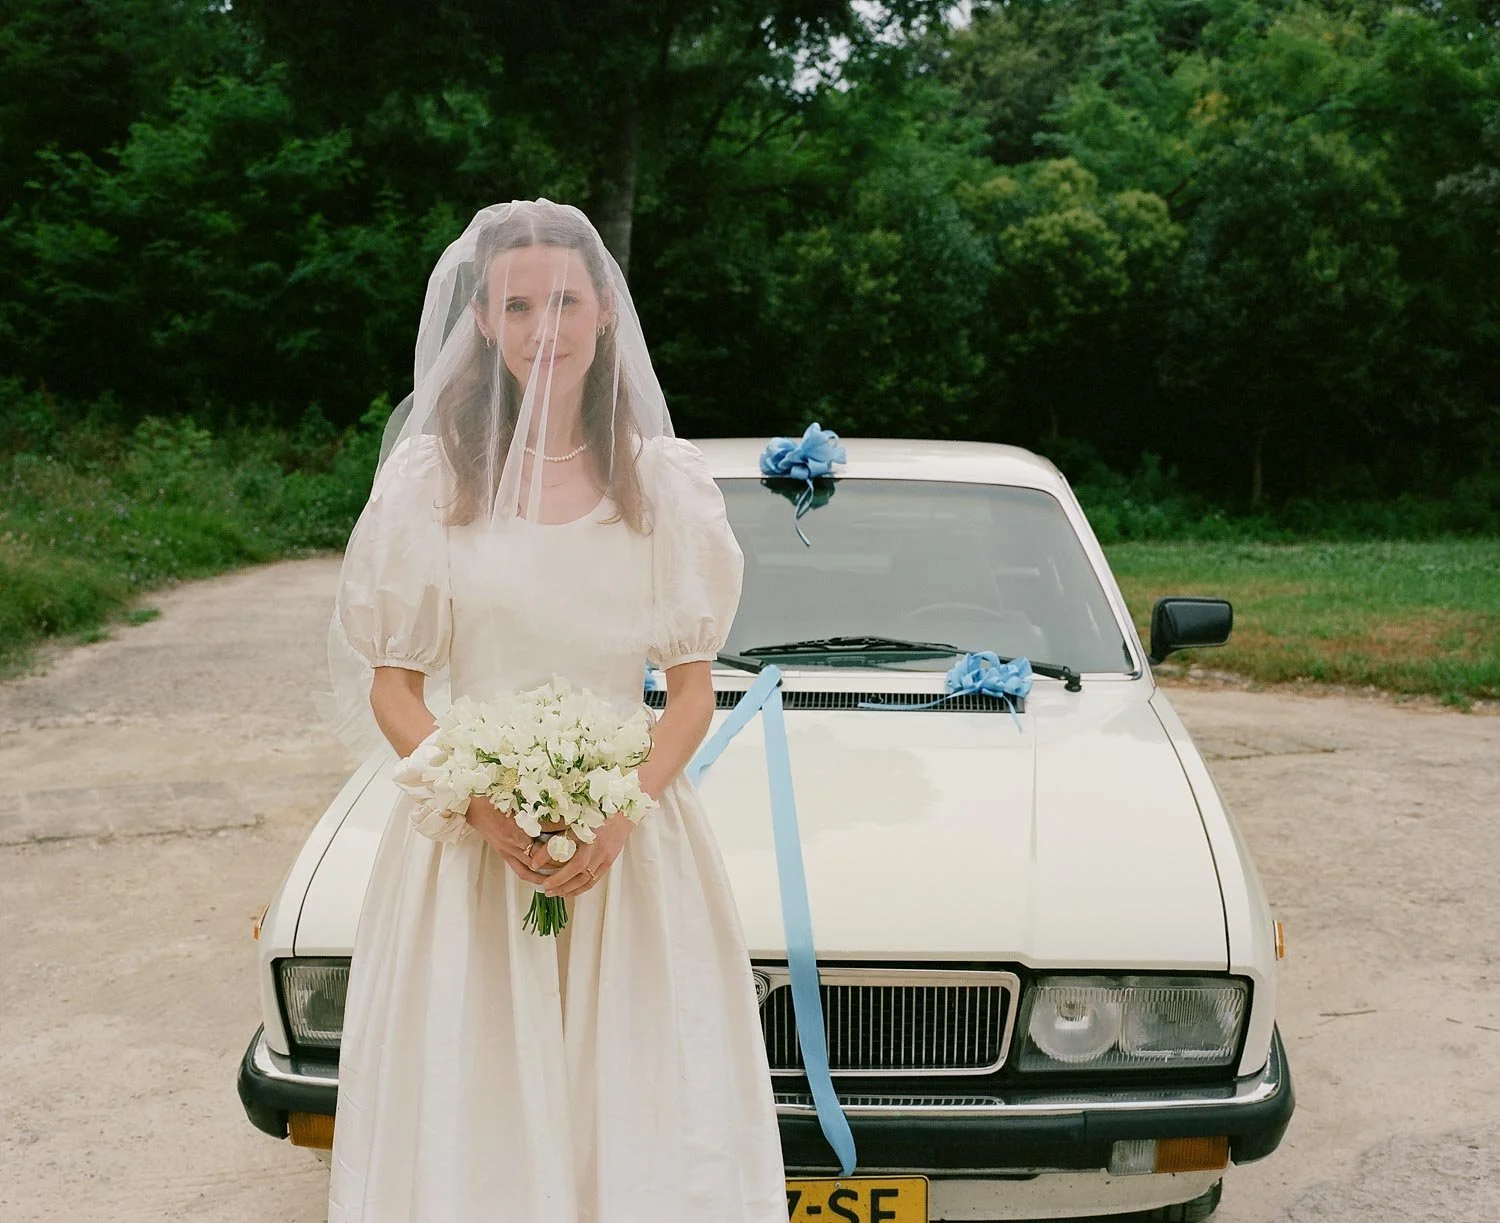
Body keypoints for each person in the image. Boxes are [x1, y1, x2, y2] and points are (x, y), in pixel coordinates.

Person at [322, 200, 786, 1222]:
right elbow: (394, 685)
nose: (545, 325)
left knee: (637, 1100)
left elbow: (691, 690)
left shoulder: (662, 487)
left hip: (629, 849)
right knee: (476, 1096)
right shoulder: (433, 482)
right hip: (469, 855)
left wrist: (619, 811)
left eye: (566, 300)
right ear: (482, 320)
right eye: (518, 303)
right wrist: (487, 810)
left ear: (605, 312)